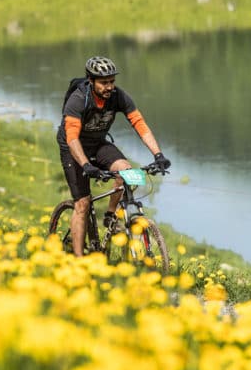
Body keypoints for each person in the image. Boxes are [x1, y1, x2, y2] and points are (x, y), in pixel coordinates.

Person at [56, 56, 171, 256]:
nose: (109, 87)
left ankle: (110, 215)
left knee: (125, 170)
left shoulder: (118, 96)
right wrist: (85, 165)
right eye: (103, 82)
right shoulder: (78, 99)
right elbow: (72, 138)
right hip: (73, 147)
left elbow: (139, 124)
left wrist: (158, 154)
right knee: (82, 203)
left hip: (98, 143)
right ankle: (78, 260)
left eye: (111, 81)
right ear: (91, 81)